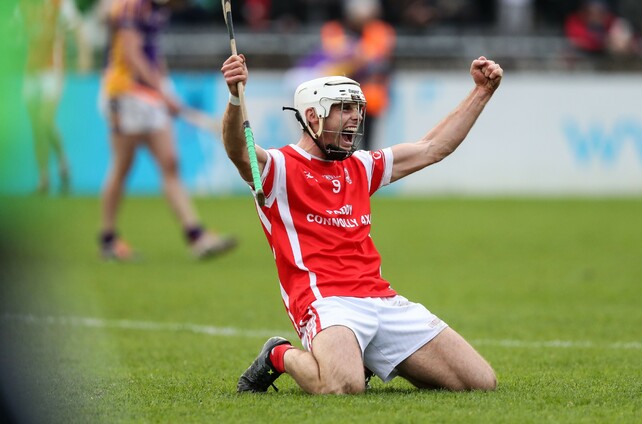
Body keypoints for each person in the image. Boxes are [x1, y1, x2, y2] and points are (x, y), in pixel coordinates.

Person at [220, 53, 503, 394]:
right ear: (312, 116)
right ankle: (278, 354)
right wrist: (235, 97)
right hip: (325, 300)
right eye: (343, 109)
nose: (355, 118)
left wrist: (482, 92)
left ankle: (368, 355)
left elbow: (432, 148)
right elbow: (238, 149)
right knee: (342, 386)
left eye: (357, 109)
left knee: (479, 382)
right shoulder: (279, 167)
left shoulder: (361, 165)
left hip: (381, 298)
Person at [99, 0, 236, 260]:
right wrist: (162, 93)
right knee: (122, 166)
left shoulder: (158, 9)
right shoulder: (131, 6)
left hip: (151, 94)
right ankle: (108, 239)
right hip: (125, 92)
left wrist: (165, 87)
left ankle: (196, 235)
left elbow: (154, 53)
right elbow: (132, 54)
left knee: (170, 162)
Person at [287, 0, 394, 151]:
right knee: (339, 141)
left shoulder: (378, 32)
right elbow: (331, 60)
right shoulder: (336, 31)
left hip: (369, 98)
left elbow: (381, 64)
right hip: (341, 98)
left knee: (364, 143)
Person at [19, 0, 91, 195]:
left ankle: (63, 161)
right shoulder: (24, 4)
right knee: (36, 126)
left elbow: (77, 28)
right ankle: (43, 177)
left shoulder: (60, 4)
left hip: (53, 70)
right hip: (30, 69)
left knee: (45, 120)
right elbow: (16, 29)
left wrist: (83, 57)